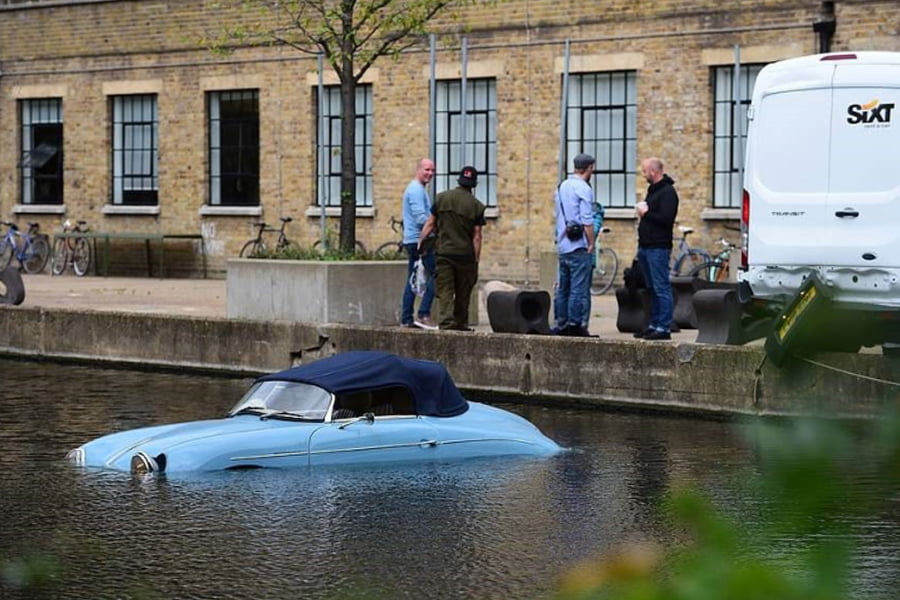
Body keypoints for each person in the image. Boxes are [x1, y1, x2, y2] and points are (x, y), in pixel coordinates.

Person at [418, 166, 486, 331]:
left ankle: (446, 323)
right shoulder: (477, 206)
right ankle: (461, 323)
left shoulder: (441, 198)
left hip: (444, 254)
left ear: (459, 180)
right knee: (463, 291)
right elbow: (477, 236)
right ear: (474, 184)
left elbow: (430, 223)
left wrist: (420, 242)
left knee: (446, 290)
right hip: (465, 256)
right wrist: (476, 259)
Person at [635, 157, 679, 341]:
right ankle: (653, 324)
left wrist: (646, 213)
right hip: (646, 246)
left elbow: (666, 219)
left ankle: (663, 327)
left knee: (661, 287)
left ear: (653, 171)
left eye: (645, 171)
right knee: (651, 288)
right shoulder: (652, 191)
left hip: (658, 247)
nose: (643, 174)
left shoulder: (668, 192)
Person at [552, 153, 596, 337]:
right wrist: (591, 242)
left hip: (563, 245)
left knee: (563, 288)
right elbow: (587, 220)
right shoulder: (584, 189)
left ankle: (560, 324)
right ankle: (574, 325)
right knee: (578, 288)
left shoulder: (562, 186)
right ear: (590, 168)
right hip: (578, 245)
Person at [400, 158, 437, 329]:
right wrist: (437, 227)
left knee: (412, 280)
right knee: (438, 274)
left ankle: (407, 318)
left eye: (432, 170)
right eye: (427, 170)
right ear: (418, 169)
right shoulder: (415, 190)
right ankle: (423, 314)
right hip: (419, 241)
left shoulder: (418, 189)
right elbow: (421, 217)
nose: (430, 173)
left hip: (413, 240)